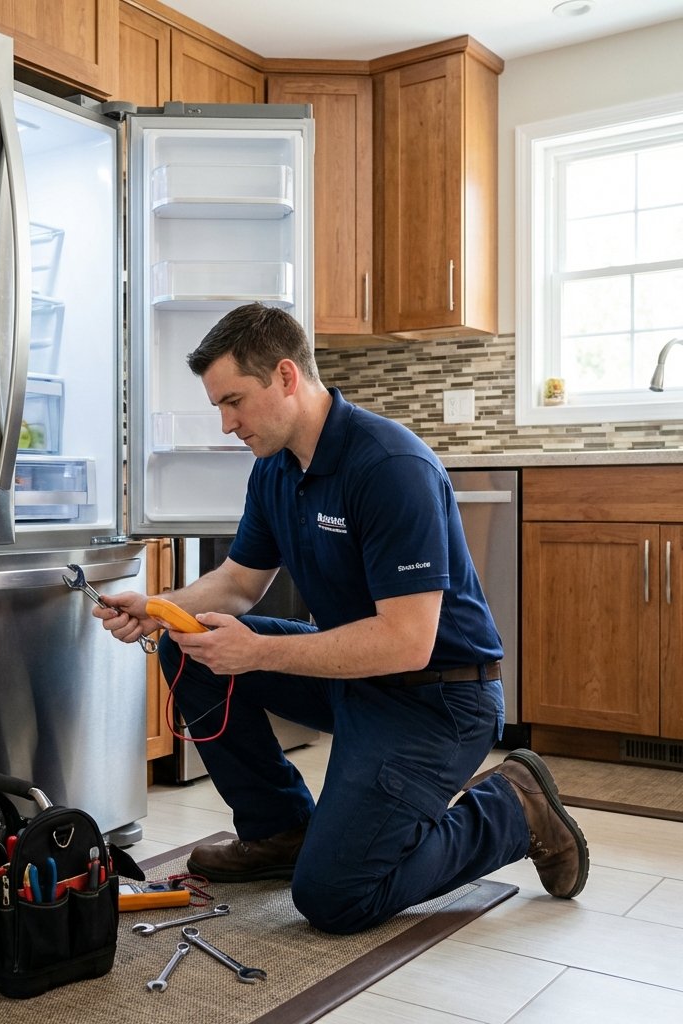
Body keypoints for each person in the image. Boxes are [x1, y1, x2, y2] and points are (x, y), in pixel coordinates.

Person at [96, 302, 588, 935]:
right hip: (358, 679)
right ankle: (282, 832)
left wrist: (261, 653)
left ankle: (513, 809)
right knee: (186, 647)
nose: (226, 425)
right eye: (219, 406)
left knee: (335, 896)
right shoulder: (275, 470)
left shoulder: (388, 467)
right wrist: (159, 607)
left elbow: (409, 642)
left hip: (439, 697)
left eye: (234, 402)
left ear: (285, 376)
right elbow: (239, 584)